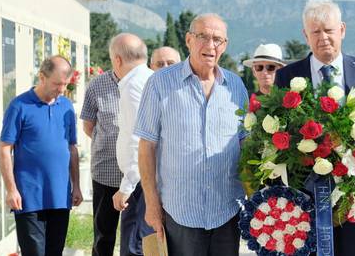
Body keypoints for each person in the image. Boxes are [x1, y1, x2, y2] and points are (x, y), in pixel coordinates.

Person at [275, 0, 355, 256]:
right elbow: (280, 133)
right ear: (305, 35)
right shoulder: (287, 76)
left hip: (354, 195)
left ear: (342, 30)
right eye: (315, 31)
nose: (323, 37)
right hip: (305, 194)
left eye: (329, 30)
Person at [135, 13, 248, 256]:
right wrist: (152, 204)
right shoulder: (160, 83)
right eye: (202, 37)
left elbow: (245, 142)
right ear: (188, 40)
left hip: (227, 211)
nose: (210, 45)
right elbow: (146, 147)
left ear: (225, 45)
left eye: (217, 39)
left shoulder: (236, 86)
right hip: (180, 212)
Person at [0, 56, 82, 256]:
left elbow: (72, 147)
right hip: (28, 197)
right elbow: (4, 149)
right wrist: (11, 190)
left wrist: (76, 185)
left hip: (60, 196)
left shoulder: (66, 107)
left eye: (65, 84)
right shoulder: (19, 106)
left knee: (55, 252)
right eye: (57, 84)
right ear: (42, 77)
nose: (62, 90)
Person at [109, 33, 154, 256]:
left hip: (139, 184)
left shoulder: (133, 85)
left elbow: (140, 139)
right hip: (144, 180)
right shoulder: (150, 78)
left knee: (133, 248)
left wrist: (126, 187)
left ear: (117, 60)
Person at [81, 54, 123, 256]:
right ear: (117, 59)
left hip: (140, 174)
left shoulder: (148, 81)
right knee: (103, 234)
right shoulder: (97, 85)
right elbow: (88, 126)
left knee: (139, 234)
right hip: (106, 171)